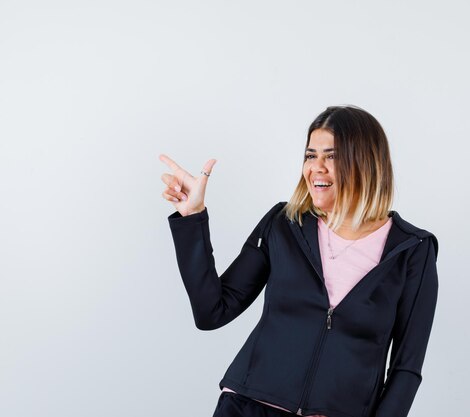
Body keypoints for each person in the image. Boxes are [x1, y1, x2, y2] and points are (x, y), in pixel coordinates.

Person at [159, 105, 439, 417]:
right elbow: (212, 312)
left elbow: (405, 368)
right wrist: (193, 219)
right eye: (310, 155)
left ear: (365, 162)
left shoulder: (412, 249)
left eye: (331, 156)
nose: (316, 167)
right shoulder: (283, 224)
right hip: (247, 407)